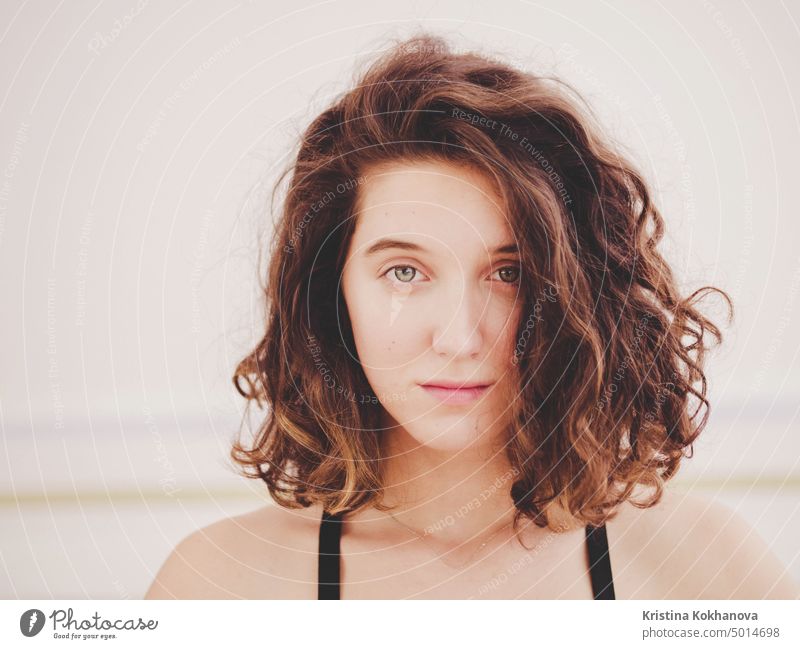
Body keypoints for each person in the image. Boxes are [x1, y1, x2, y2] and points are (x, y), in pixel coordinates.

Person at [145, 34, 799, 600]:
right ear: (330, 293)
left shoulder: (710, 570)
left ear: (576, 289)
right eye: (405, 270)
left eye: (508, 273)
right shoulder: (217, 585)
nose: (459, 337)